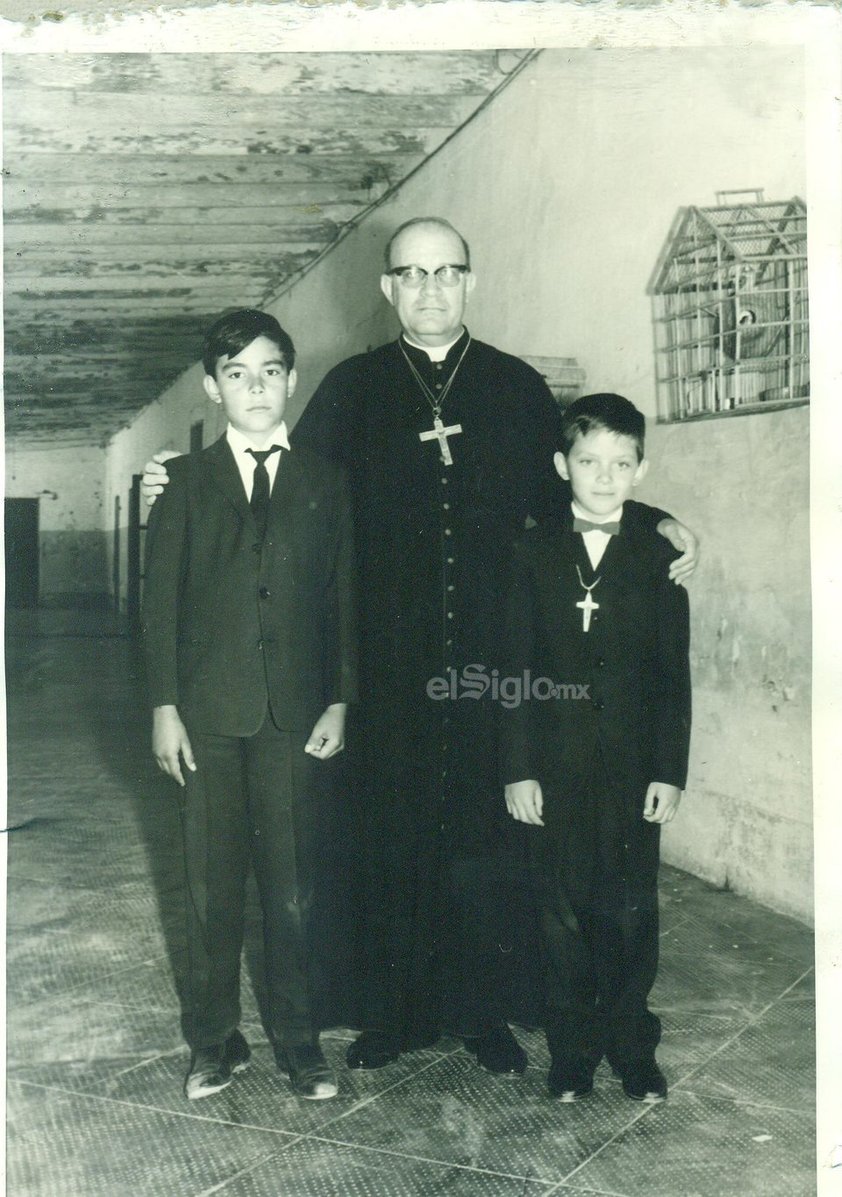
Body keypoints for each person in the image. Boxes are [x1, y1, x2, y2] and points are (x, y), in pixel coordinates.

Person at [142, 218, 699, 1077]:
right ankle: (392, 1011)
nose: (431, 289)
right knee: (387, 832)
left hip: (493, 664)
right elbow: (279, 488)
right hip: (386, 663)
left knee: (489, 839)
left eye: (447, 273)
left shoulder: (514, 389)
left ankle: (484, 1011)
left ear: (470, 282)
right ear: (388, 289)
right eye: (413, 274)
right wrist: (168, 479)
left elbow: (581, 487)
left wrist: (658, 522)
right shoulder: (352, 388)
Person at [142, 309, 357, 1102]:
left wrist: (339, 699)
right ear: (212, 388)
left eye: (270, 370)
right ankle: (213, 1039)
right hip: (206, 717)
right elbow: (158, 603)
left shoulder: (327, 481)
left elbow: (343, 600)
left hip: (296, 718)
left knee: (293, 886)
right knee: (210, 886)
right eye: (237, 374)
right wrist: (164, 705)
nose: (256, 386)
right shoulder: (185, 481)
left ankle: (299, 1041)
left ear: (292, 379)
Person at [501, 392, 691, 1104]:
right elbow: (514, 669)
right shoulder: (532, 550)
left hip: (633, 769)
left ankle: (632, 1048)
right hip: (553, 767)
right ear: (562, 465)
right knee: (560, 908)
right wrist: (518, 767)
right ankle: (573, 1051)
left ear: (642, 467)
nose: (604, 476)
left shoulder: (660, 554)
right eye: (588, 461)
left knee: (631, 907)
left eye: (620, 462)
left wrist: (670, 771)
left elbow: (675, 675)